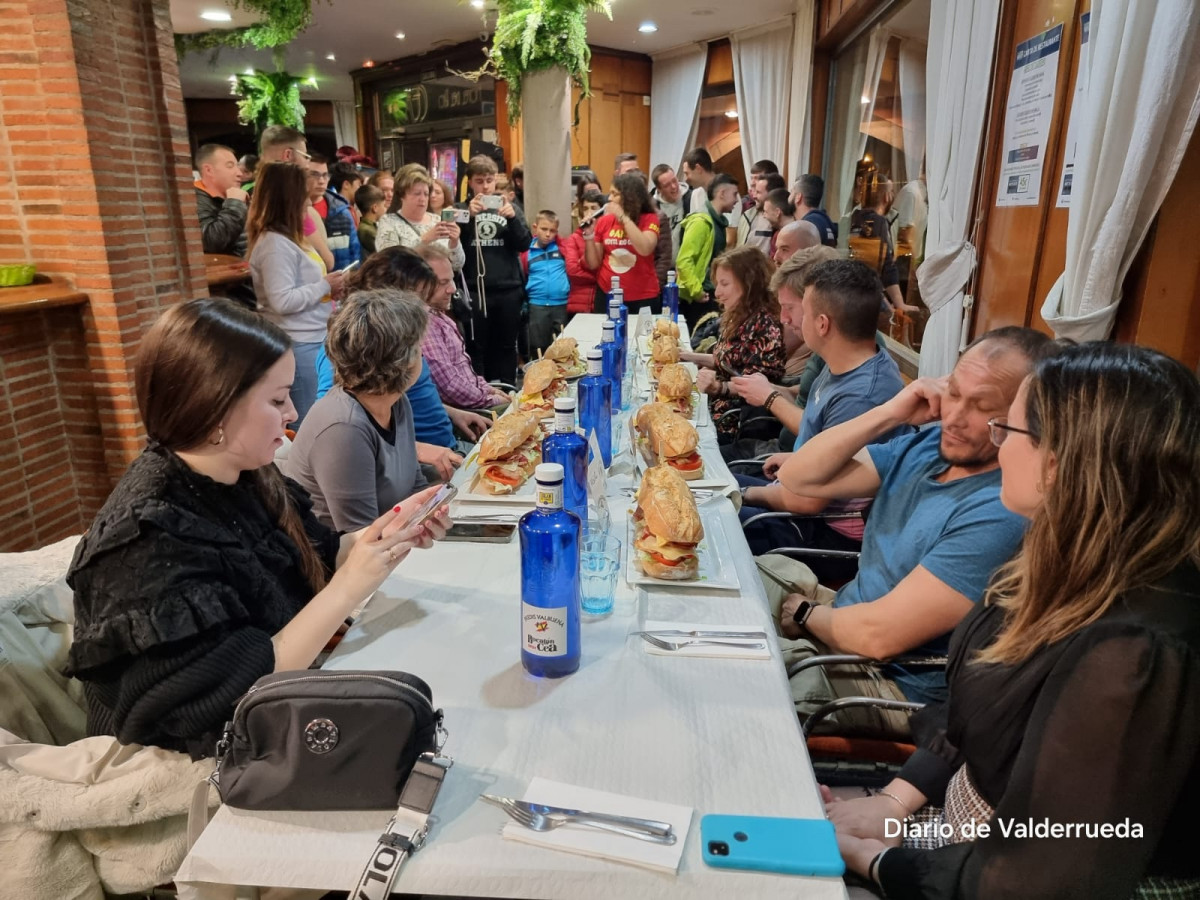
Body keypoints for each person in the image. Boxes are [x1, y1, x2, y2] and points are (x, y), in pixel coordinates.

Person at [830, 342, 1200, 899]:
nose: (998, 448)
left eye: (1009, 431)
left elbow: (1046, 875)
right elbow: (973, 721)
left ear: (1062, 463)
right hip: (963, 848)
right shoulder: (1056, 561)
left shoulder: (1134, 651)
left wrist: (879, 863)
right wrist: (894, 803)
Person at [64, 298, 450, 759]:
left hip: (281, 703)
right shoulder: (147, 537)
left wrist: (391, 531)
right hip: (195, 759)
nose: (292, 413)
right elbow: (239, 689)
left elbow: (321, 550)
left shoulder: (246, 473)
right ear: (214, 408)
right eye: (276, 399)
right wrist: (347, 587)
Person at [764, 327, 1050, 731]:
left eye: (981, 406)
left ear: (1021, 418)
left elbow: (878, 637)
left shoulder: (1002, 510)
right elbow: (800, 478)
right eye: (953, 392)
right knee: (730, 582)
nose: (955, 417)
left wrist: (808, 615)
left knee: (739, 677)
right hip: (842, 620)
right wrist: (892, 412)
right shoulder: (933, 442)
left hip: (889, 683)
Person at [734, 260, 909, 576]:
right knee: (705, 489)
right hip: (798, 491)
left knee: (713, 514)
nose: (790, 320)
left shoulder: (863, 394)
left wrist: (745, 493)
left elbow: (809, 501)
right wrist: (797, 456)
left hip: (826, 532)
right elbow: (830, 449)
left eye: (801, 310)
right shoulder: (842, 360)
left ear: (823, 324)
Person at [314, 246, 490, 476]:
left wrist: (451, 412)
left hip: (443, 450)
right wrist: (417, 451)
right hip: (419, 466)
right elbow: (337, 428)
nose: (423, 308)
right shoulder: (350, 344)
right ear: (388, 294)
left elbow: (400, 392)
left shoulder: (396, 336)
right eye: (417, 299)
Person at [287, 290, 430, 531]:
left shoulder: (396, 401)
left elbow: (415, 489)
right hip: (339, 563)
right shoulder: (344, 429)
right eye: (418, 346)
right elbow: (360, 537)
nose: (423, 354)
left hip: (392, 542)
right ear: (403, 359)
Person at [247, 162, 344, 426]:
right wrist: (325, 286)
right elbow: (282, 300)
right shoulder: (274, 244)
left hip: (315, 337)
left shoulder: (290, 238)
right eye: (303, 195)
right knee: (308, 422)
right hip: (299, 344)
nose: (309, 201)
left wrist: (330, 289)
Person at [679, 245, 785, 442]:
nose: (717, 292)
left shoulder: (764, 326)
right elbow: (728, 360)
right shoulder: (740, 315)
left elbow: (758, 388)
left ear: (749, 284)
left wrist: (719, 387)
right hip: (714, 405)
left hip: (732, 423)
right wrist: (686, 355)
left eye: (724, 284)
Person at [458, 154, 532, 385]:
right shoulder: (461, 210)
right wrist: (467, 218)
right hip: (475, 289)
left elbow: (524, 243)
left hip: (508, 288)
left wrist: (512, 219)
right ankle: (482, 394)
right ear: (470, 182)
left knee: (508, 345)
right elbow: (453, 248)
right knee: (476, 346)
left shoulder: (509, 208)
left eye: (489, 180)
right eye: (479, 180)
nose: (485, 186)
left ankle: (509, 390)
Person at [416, 242, 511, 413]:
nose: (452, 289)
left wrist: (488, 389)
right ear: (417, 283)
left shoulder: (438, 315)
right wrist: (491, 397)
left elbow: (465, 372)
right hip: (470, 415)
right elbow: (450, 387)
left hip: (475, 403)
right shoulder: (424, 324)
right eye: (443, 282)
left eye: (452, 279)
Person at [583, 172, 662, 314]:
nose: (610, 198)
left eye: (615, 194)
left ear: (629, 196)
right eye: (610, 193)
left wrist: (622, 217)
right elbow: (594, 263)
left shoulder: (650, 219)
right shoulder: (604, 222)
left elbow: (645, 248)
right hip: (608, 293)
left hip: (643, 295)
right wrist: (589, 236)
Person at [675, 173, 740, 330]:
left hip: (710, 294)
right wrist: (697, 291)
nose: (737, 200)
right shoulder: (701, 222)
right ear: (722, 194)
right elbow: (684, 261)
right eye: (735, 194)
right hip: (698, 299)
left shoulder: (718, 223)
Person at [375, 164, 465, 270]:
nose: (422, 199)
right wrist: (425, 240)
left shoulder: (437, 220)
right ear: (402, 195)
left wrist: (455, 243)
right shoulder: (388, 222)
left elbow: (457, 265)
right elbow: (388, 263)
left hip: (442, 285)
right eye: (417, 193)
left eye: (426, 194)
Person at [850, 174, 917, 315]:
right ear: (886, 197)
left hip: (851, 290)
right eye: (891, 192)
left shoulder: (854, 218)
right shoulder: (879, 222)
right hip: (868, 294)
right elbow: (885, 264)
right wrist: (899, 303)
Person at [523, 210, 571, 355]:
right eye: (544, 229)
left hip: (560, 304)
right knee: (538, 345)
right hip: (537, 304)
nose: (548, 234)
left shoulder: (562, 248)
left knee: (561, 345)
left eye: (553, 230)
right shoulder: (527, 252)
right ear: (535, 227)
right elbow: (523, 275)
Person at [306, 153, 361, 272]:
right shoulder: (295, 212)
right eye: (314, 175)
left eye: (325, 175)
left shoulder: (342, 210)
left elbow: (355, 254)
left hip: (343, 283)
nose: (321, 181)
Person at [193, 143, 248, 257]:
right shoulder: (194, 199)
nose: (239, 173)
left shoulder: (231, 197)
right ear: (208, 170)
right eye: (230, 166)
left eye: (237, 166)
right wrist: (234, 203)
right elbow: (211, 242)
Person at [561, 189, 603, 317]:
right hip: (578, 303)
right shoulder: (574, 238)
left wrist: (583, 263)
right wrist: (601, 278)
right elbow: (573, 271)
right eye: (585, 208)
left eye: (593, 208)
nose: (589, 213)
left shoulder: (607, 236)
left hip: (602, 301)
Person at [737, 173, 785, 253]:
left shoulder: (790, 221)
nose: (754, 196)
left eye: (758, 192)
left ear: (772, 194)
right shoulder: (747, 216)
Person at [792, 173, 838, 247]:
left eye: (791, 192)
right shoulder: (822, 220)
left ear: (798, 197)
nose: (788, 197)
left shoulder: (807, 226)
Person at [650, 163, 685, 258]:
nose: (674, 186)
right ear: (659, 189)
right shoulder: (652, 208)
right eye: (667, 185)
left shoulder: (690, 199)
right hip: (663, 268)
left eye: (674, 180)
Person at [679, 146, 716, 216]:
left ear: (698, 169)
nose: (686, 179)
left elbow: (730, 227)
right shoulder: (696, 194)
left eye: (687, 173)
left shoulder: (728, 192)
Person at [761, 188, 796, 259]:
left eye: (766, 212)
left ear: (777, 212)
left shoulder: (791, 236)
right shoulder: (802, 231)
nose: (764, 216)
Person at [355, 183, 387, 256]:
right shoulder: (367, 231)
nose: (385, 209)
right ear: (375, 208)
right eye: (384, 206)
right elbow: (385, 252)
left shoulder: (369, 227)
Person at [329, 161, 364, 227]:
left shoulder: (350, 209)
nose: (361, 189)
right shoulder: (340, 212)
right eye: (359, 185)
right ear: (346, 184)